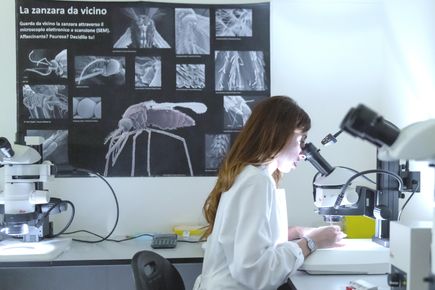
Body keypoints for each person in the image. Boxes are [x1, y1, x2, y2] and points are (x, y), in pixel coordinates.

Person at [194, 96, 346, 290]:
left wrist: (298, 232)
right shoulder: (256, 181)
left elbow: (252, 237)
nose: (303, 152)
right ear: (278, 135)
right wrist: (312, 243)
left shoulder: (250, 174)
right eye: (301, 140)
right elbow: (255, 271)